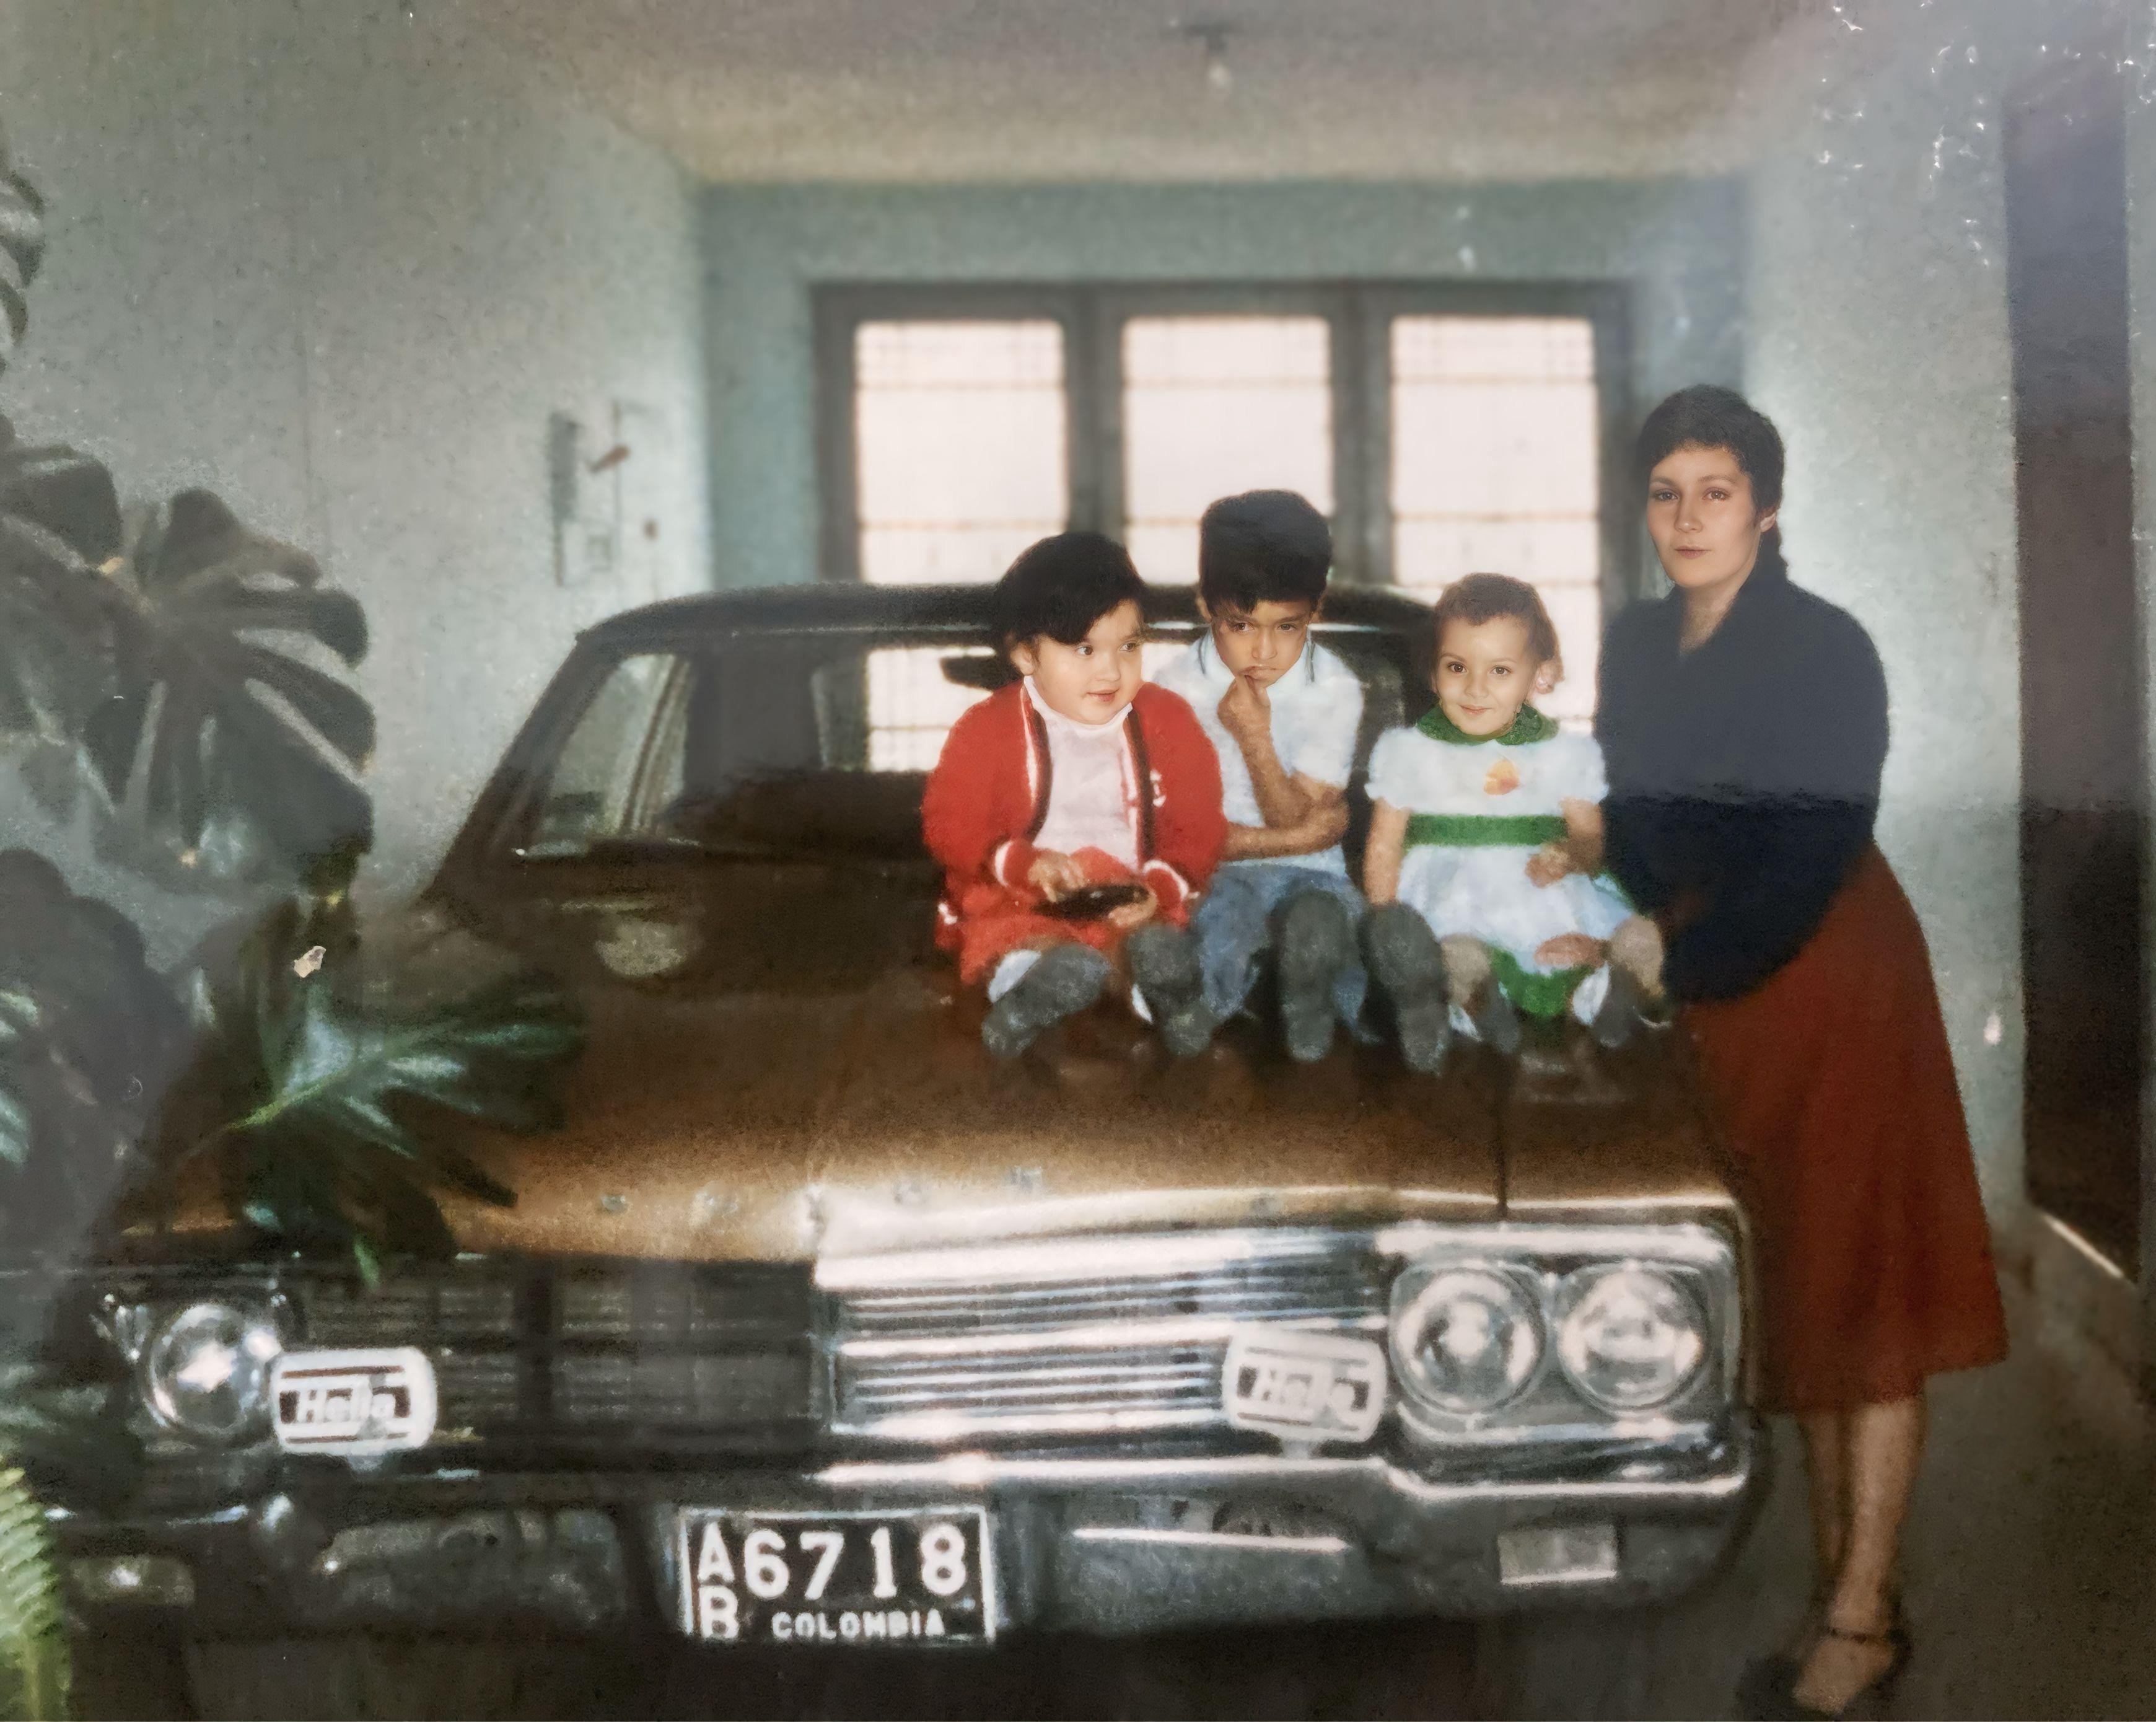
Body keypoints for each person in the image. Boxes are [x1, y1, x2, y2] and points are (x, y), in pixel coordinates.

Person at [1597, 385, 2008, 1720]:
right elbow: (1647, 827)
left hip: (1831, 972)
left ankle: (1861, 1610)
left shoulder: (1827, 649)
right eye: (1666, 490)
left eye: (1716, 490)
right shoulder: (1634, 644)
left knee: (1866, 1293)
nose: (1688, 517)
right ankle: (1849, 1599)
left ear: (1767, 508)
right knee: (1805, 1298)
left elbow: (1808, 853)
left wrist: (1680, 948)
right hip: (1717, 988)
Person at [921, 531, 1225, 1058]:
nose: (1110, 670)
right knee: (1015, 938)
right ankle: (1027, 992)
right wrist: (1021, 863)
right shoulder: (985, 728)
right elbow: (949, 821)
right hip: (1024, 894)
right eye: (1084, 649)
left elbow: (1199, 824)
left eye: (1129, 646)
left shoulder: (1169, 720)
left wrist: (1160, 886)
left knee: (1145, 940)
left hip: (1129, 896)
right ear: (1025, 655)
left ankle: (1164, 994)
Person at [1358, 573, 1665, 1071]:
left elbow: (1590, 838)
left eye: (1499, 671)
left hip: (1541, 890)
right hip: (1452, 892)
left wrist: (1570, 855)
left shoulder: (1564, 754)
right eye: (1457, 667)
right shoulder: (1408, 751)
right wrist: (1384, 920)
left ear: (1540, 676)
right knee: (1451, 953)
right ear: (1432, 674)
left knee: (1576, 949)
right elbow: (1383, 848)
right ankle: (1478, 998)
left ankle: (1618, 983)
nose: (1475, 688)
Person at [1144, 490, 1369, 1060]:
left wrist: (1254, 739)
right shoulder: (1171, 691)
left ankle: (1310, 1009)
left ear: (1318, 611)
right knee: (1222, 920)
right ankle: (1196, 1014)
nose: (1263, 651)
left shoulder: (1335, 687)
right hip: (1216, 874)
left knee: (1328, 921)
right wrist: (1299, 838)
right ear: (1205, 605)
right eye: (1240, 625)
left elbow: (1290, 813)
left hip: (1313, 877)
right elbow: (1184, 837)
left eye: (1288, 627)